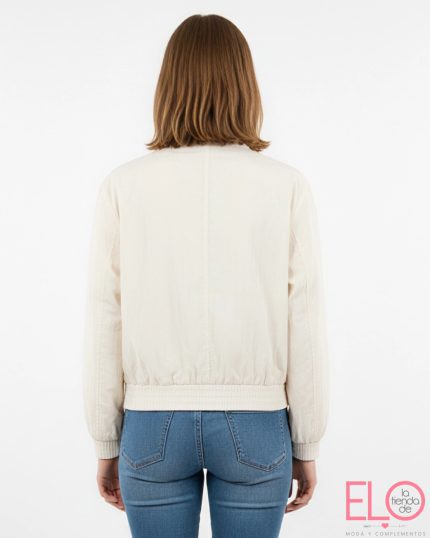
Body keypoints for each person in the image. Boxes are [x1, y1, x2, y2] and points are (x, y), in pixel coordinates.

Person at [82, 13, 329, 538]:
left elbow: (105, 316)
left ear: (168, 85)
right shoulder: (287, 186)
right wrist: (306, 442)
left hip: (151, 425)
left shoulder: (122, 186)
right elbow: (305, 319)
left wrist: (105, 440)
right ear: (246, 85)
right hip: (257, 423)